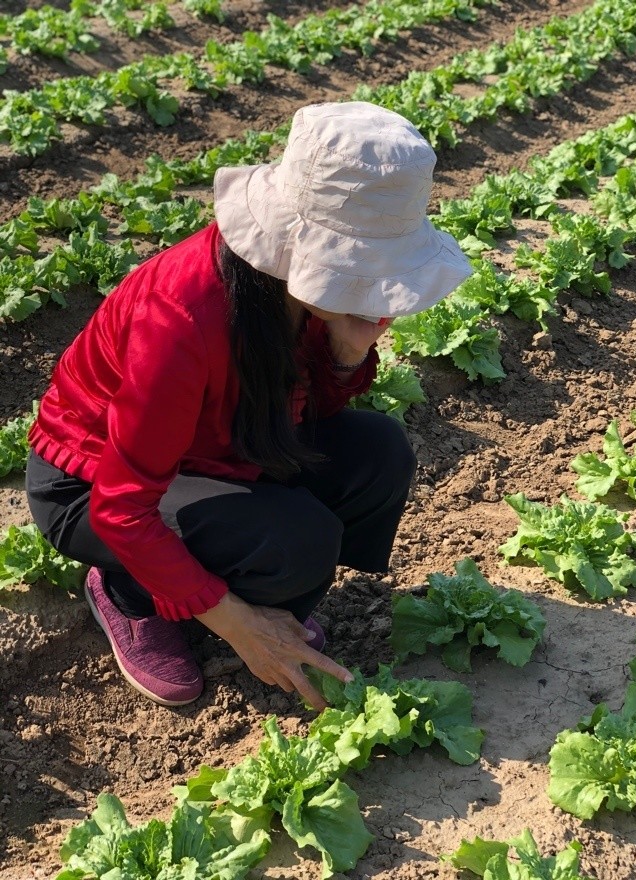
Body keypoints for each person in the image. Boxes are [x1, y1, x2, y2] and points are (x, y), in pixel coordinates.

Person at [25, 101, 472, 711]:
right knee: (296, 544)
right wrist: (238, 624)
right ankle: (127, 593)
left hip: (216, 447)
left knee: (379, 453)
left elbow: (313, 407)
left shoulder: (301, 293)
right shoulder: (181, 318)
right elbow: (122, 506)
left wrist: (345, 354)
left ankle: (245, 578)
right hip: (93, 482)